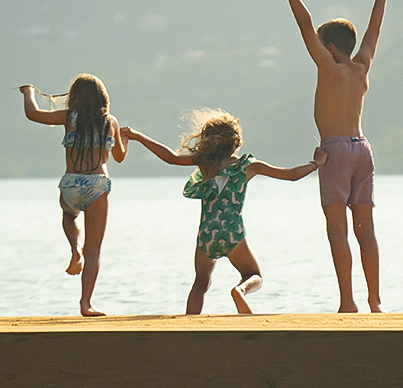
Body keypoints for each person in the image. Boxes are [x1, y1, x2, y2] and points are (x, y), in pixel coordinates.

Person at [280, 0, 397, 313]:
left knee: (338, 229)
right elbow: (374, 30)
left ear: (328, 48)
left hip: (335, 151)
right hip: (362, 148)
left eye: (319, 44)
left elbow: (304, 23)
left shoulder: (328, 68)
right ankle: (375, 302)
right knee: (367, 228)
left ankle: (347, 302)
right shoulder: (361, 67)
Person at [121, 110, 326, 315]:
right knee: (253, 275)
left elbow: (171, 157)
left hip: (207, 234)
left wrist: (137, 136)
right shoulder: (248, 166)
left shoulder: (204, 163)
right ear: (236, 142)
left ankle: (188, 324)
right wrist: (316, 163)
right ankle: (240, 291)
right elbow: (290, 175)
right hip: (232, 232)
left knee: (200, 283)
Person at [19, 74, 128, 316]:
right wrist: (125, 139)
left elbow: (33, 114)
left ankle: (74, 250)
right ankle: (86, 304)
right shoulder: (110, 122)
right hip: (97, 185)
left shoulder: (69, 117)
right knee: (95, 251)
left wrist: (28, 91)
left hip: (71, 183)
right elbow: (119, 157)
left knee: (69, 215)